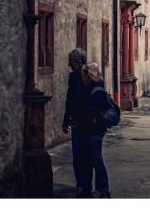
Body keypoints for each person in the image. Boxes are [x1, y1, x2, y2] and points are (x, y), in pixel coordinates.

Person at [79, 62, 111, 198]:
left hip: (94, 130)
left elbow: (92, 110)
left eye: (84, 75)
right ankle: (95, 188)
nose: (83, 78)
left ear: (89, 75)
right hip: (93, 129)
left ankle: (103, 189)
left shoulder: (97, 91)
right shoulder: (93, 88)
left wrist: (82, 114)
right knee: (92, 159)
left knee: (96, 160)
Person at [62, 48, 87, 196]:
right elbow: (69, 100)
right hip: (77, 122)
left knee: (87, 155)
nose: (69, 65)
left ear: (79, 62)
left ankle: (87, 185)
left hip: (88, 123)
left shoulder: (88, 77)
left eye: (71, 62)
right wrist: (66, 121)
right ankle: (80, 184)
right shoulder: (73, 77)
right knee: (77, 155)